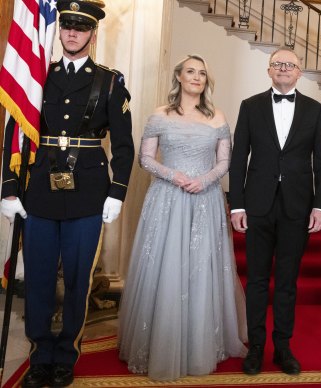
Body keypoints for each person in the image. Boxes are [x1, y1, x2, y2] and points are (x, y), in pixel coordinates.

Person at [0, 1, 134, 387]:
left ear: (93, 33)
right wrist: (10, 188)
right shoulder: (38, 76)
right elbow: (16, 131)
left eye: (81, 27)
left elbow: (124, 147)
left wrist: (117, 193)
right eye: (67, 26)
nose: (72, 32)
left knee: (77, 278)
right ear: (58, 31)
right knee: (40, 277)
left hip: (88, 194)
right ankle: (40, 353)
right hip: (39, 190)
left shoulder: (109, 81)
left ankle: (66, 354)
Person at [117, 55, 247, 380]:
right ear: (179, 76)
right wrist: (174, 176)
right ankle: (162, 343)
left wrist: (203, 180)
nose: (196, 77)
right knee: (166, 267)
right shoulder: (160, 114)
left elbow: (224, 162)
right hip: (167, 198)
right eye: (191, 71)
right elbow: (144, 158)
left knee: (201, 269)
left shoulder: (217, 116)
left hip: (205, 199)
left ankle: (199, 345)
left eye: (202, 73)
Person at [230, 47, 321, 375]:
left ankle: (283, 347)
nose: (284, 69)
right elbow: (238, 157)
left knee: (287, 281)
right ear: (269, 71)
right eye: (278, 64)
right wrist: (237, 204)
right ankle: (256, 346)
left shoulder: (316, 110)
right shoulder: (250, 106)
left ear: (299, 72)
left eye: (290, 65)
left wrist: (320, 205)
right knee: (257, 280)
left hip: (297, 207)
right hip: (258, 204)